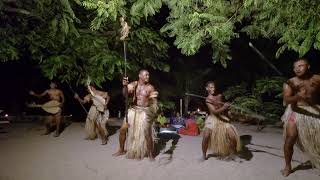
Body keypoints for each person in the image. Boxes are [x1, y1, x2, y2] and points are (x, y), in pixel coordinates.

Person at [281, 58, 320, 176]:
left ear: (308, 66)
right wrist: (298, 96)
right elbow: (287, 100)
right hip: (296, 111)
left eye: (300, 66)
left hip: (314, 111)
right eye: (295, 67)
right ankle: (288, 166)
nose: (297, 69)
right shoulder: (290, 82)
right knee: (290, 138)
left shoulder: (317, 79)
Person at [113, 69, 158, 160]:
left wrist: (152, 111)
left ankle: (150, 154)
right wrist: (125, 86)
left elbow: (154, 102)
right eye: (146, 75)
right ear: (140, 75)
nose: (148, 77)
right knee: (122, 129)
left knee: (147, 133)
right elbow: (125, 94)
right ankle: (121, 149)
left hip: (145, 112)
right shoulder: (134, 84)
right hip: (133, 111)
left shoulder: (150, 87)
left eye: (148, 75)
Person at [202, 81, 241, 160]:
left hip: (222, 118)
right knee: (206, 136)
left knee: (233, 136)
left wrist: (228, 108)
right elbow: (214, 112)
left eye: (214, 87)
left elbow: (223, 109)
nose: (213, 89)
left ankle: (232, 153)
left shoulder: (219, 96)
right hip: (212, 119)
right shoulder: (207, 99)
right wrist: (224, 107)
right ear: (207, 88)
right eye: (211, 87)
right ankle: (204, 154)